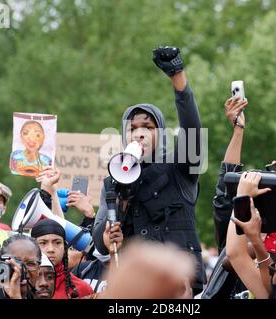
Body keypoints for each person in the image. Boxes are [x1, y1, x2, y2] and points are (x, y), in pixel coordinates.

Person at [93, 46, 205, 294]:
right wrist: (107, 234)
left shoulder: (179, 170)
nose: (139, 133)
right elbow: (100, 242)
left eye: (148, 127)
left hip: (182, 287)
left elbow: (193, 132)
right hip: (137, 289)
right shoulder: (113, 181)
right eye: (133, 128)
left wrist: (178, 78)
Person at [31, 219, 93, 299]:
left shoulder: (82, 288)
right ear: (32, 247)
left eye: (57, 243)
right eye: (43, 243)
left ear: (64, 247)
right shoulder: (22, 284)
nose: (51, 249)